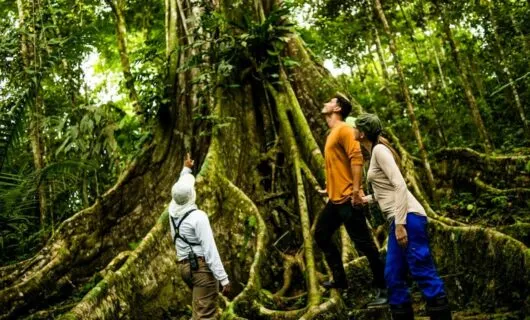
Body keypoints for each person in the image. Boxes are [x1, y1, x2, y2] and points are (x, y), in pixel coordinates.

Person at [354, 113, 451, 320]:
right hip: (398, 219)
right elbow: (386, 190)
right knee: (393, 275)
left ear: (362, 133)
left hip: (408, 218)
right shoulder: (374, 153)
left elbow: (399, 185)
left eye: (355, 127)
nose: (352, 130)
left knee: (421, 268)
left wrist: (400, 225)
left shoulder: (380, 150)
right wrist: (367, 200)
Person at [314, 93, 387, 308]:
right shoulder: (332, 132)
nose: (325, 102)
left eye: (330, 101)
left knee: (365, 245)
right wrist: (329, 187)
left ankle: (384, 288)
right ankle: (340, 278)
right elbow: (339, 164)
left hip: (349, 199)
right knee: (321, 234)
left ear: (337, 109)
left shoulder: (345, 129)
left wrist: (356, 191)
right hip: (336, 199)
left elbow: (357, 158)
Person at [169, 153, 231, 320]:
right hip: (202, 269)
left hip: (185, 269)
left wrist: (186, 169)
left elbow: (184, 184)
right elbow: (210, 250)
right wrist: (224, 279)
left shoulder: (172, 210)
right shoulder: (198, 217)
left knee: (200, 311)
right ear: (191, 195)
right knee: (205, 317)